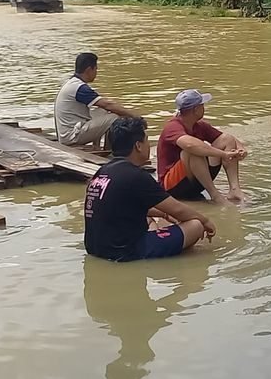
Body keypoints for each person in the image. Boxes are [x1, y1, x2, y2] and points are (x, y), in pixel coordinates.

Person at [84, 117, 215, 262]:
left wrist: (163, 214)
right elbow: (178, 209)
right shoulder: (136, 176)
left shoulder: (102, 172)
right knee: (195, 225)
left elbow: (118, 207)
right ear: (138, 146)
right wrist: (206, 220)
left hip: (95, 249)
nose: (149, 145)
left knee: (149, 219)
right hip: (127, 252)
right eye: (146, 140)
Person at [157, 89, 250, 204]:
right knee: (193, 151)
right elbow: (190, 145)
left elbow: (226, 138)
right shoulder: (172, 127)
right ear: (196, 109)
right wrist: (224, 154)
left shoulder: (199, 125)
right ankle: (215, 195)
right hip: (173, 187)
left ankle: (234, 189)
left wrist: (241, 149)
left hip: (194, 180)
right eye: (202, 106)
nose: (204, 108)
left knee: (227, 139)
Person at [55, 51, 140, 147]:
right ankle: (110, 151)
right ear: (89, 70)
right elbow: (108, 105)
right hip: (71, 137)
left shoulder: (73, 83)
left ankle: (97, 146)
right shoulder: (79, 88)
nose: (96, 72)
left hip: (69, 132)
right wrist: (135, 117)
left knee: (102, 112)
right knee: (114, 117)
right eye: (95, 69)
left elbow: (104, 105)